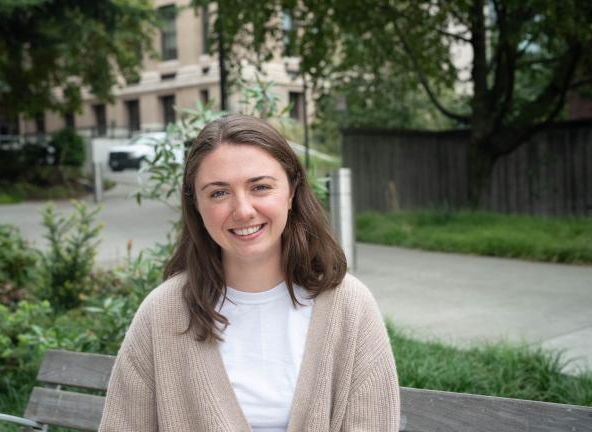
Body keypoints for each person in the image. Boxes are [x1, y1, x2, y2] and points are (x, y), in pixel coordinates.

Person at [99, 115, 399, 431]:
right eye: (218, 193)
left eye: (260, 187)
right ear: (196, 204)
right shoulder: (162, 314)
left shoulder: (350, 308)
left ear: (291, 190)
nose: (243, 210)